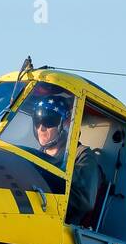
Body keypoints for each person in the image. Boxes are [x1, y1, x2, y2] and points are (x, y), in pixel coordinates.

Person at [32, 94, 104, 226]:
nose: (41, 128)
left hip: (60, 225)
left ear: (64, 125)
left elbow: (84, 201)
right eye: (37, 121)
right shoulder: (34, 155)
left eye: (48, 120)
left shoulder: (82, 155)